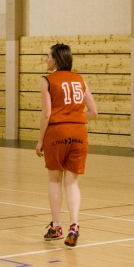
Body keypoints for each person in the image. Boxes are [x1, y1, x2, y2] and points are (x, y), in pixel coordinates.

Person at [35, 43, 98, 247]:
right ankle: (74, 226)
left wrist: (40, 140)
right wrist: (75, 119)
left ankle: (56, 227)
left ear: (56, 59)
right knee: (72, 183)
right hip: (79, 132)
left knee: (54, 181)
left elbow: (46, 114)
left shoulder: (47, 80)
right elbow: (93, 111)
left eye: (48, 56)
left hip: (57, 132)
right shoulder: (80, 79)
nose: (46, 60)